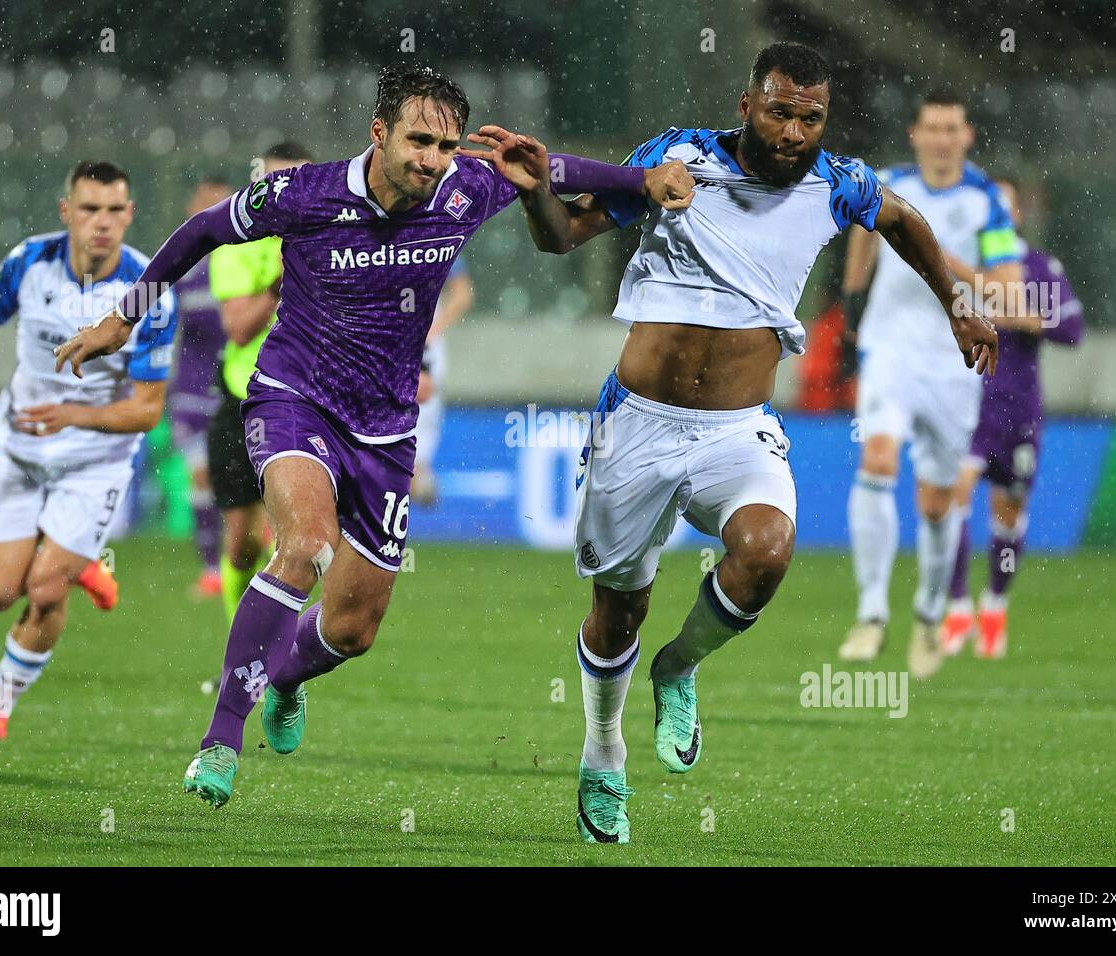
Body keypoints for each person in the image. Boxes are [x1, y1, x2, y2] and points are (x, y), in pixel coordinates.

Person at [52, 63, 694, 807]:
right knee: (304, 543)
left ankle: (285, 681)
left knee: (354, 629)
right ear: (379, 132)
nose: (431, 158)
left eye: (447, 144)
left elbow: (557, 169)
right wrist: (123, 317)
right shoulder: (306, 193)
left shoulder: (465, 185)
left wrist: (640, 182)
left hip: (386, 429)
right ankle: (221, 740)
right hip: (294, 399)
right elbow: (202, 231)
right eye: (419, 139)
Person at [503, 41, 998, 842]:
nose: (796, 130)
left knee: (766, 551)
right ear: (746, 106)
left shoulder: (838, 184)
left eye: (811, 116)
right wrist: (534, 196)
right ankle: (602, 753)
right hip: (637, 423)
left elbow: (903, 221)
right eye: (779, 110)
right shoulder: (678, 160)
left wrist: (957, 302)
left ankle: (681, 667)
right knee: (618, 610)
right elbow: (563, 236)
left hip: (737, 430)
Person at [0, 160, 175, 741]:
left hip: (95, 461)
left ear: (129, 215)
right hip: (20, 449)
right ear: (66, 212)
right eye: (89, 209)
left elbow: (148, 411)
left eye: (114, 210)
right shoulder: (31, 262)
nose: (102, 222)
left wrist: (71, 416)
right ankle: (81, 561)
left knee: (44, 588)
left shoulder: (148, 288)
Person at [837, 89, 1023, 680]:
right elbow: (864, 232)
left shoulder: (985, 200)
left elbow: (1007, 287)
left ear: (966, 137)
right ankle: (870, 613)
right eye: (932, 128)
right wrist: (851, 294)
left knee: (939, 502)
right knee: (879, 458)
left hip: (954, 362)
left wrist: (938, 257)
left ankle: (926, 610)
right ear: (915, 135)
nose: (942, 138)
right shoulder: (888, 184)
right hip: (888, 348)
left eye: (952, 129)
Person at [941, 177, 1083, 658]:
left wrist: (1023, 318)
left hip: (1017, 407)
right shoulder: (946, 263)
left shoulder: (1036, 268)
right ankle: (957, 607)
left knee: (1008, 511)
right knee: (954, 496)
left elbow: (1072, 329)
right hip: (963, 404)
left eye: (1003, 205)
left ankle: (994, 605)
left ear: (1016, 214)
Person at [206, 143, 313, 623]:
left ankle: (275, 654)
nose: (285, 194)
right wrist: (279, 283)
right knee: (243, 543)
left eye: (297, 181)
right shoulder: (237, 245)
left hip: (309, 401)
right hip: (244, 398)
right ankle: (241, 645)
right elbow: (238, 328)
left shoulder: (336, 238)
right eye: (275, 182)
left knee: (302, 542)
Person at [169, 176, 234, 598]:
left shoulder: (245, 259)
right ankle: (212, 567)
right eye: (203, 202)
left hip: (237, 389)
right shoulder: (179, 264)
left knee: (244, 485)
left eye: (218, 203)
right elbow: (162, 327)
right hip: (192, 390)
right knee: (202, 477)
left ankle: (245, 563)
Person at [412, 256, 474, 504]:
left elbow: (462, 293)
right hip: (377, 340)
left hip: (422, 347)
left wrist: (431, 332)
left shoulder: (438, 228)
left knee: (421, 411)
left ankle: (415, 470)